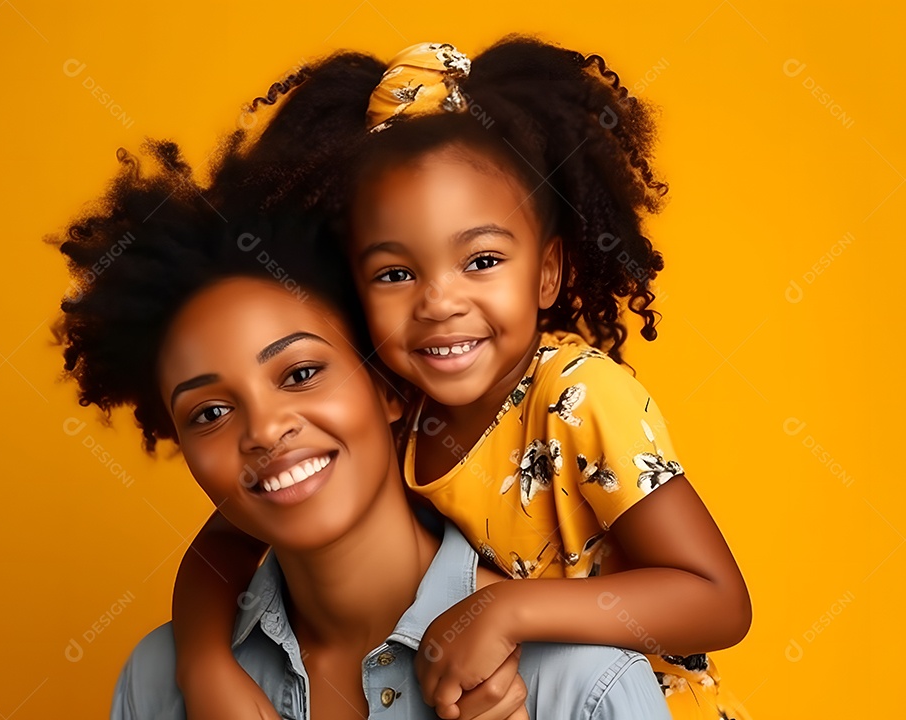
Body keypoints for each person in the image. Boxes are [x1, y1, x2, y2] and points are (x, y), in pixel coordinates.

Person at [171, 37, 754, 720]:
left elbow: (718, 600)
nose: (439, 303)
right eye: (395, 274)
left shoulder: (580, 396)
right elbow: (227, 541)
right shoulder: (396, 403)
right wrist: (205, 665)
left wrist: (508, 610)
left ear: (546, 272)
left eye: (480, 261)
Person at [48, 147, 672, 719]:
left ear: (389, 386)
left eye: (301, 373)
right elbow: (219, 544)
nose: (264, 430)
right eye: (209, 413)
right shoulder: (161, 681)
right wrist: (203, 666)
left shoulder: (579, 681)